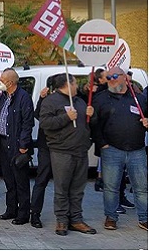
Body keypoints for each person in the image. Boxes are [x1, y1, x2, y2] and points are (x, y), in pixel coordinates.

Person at [39, 73, 97, 236]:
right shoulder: (51, 101)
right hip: (62, 151)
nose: (77, 86)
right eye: (74, 83)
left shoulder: (79, 101)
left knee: (78, 188)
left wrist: (91, 116)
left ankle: (76, 220)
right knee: (62, 188)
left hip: (80, 150)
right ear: (66, 84)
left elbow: (89, 124)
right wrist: (66, 117)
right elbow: (45, 124)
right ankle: (62, 220)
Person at [92, 66, 148, 232]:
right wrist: (102, 144)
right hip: (112, 150)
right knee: (111, 187)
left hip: (137, 150)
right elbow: (94, 124)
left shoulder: (139, 98)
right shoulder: (100, 99)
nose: (112, 79)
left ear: (125, 78)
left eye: (115, 76)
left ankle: (144, 218)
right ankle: (111, 217)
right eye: (108, 77)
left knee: (141, 187)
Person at [0, 68, 34, 225]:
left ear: (10, 82)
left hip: (16, 144)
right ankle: (11, 209)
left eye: (2, 80)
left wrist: (23, 144)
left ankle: (23, 213)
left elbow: (28, 123)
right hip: (2, 143)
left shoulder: (23, 97)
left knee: (20, 180)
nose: (0, 83)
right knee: (8, 179)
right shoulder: (3, 96)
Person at [29, 85, 52, 228]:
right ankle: (35, 214)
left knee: (65, 184)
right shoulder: (47, 99)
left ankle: (66, 216)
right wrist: (41, 99)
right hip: (46, 146)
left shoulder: (72, 100)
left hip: (62, 147)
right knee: (41, 180)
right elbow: (38, 114)